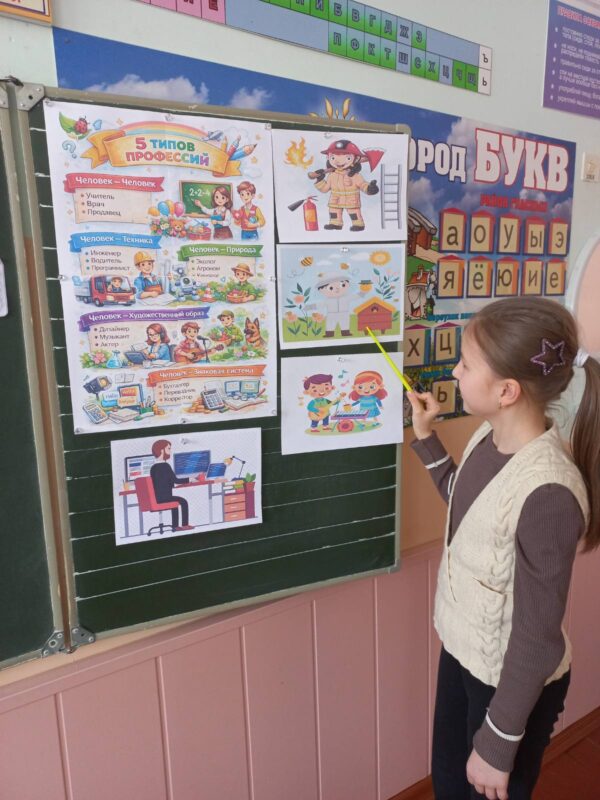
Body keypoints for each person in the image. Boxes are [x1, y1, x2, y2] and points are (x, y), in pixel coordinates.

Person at [406, 297, 600, 800]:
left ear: (507, 391)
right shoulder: (487, 437)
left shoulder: (548, 492)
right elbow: (471, 509)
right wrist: (427, 441)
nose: (455, 371)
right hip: (465, 652)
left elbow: (537, 638)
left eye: (466, 365)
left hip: (510, 688)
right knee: (450, 784)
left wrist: (498, 742)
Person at [149, 439, 194, 532]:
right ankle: (184, 525)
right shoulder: (165, 466)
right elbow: (176, 480)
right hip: (165, 497)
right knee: (183, 501)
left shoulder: (153, 467)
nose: (170, 451)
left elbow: (159, 482)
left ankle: (175, 526)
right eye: (168, 449)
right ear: (162, 450)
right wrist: (190, 479)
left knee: (175, 503)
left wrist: (171, 484)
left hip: (157, 498)